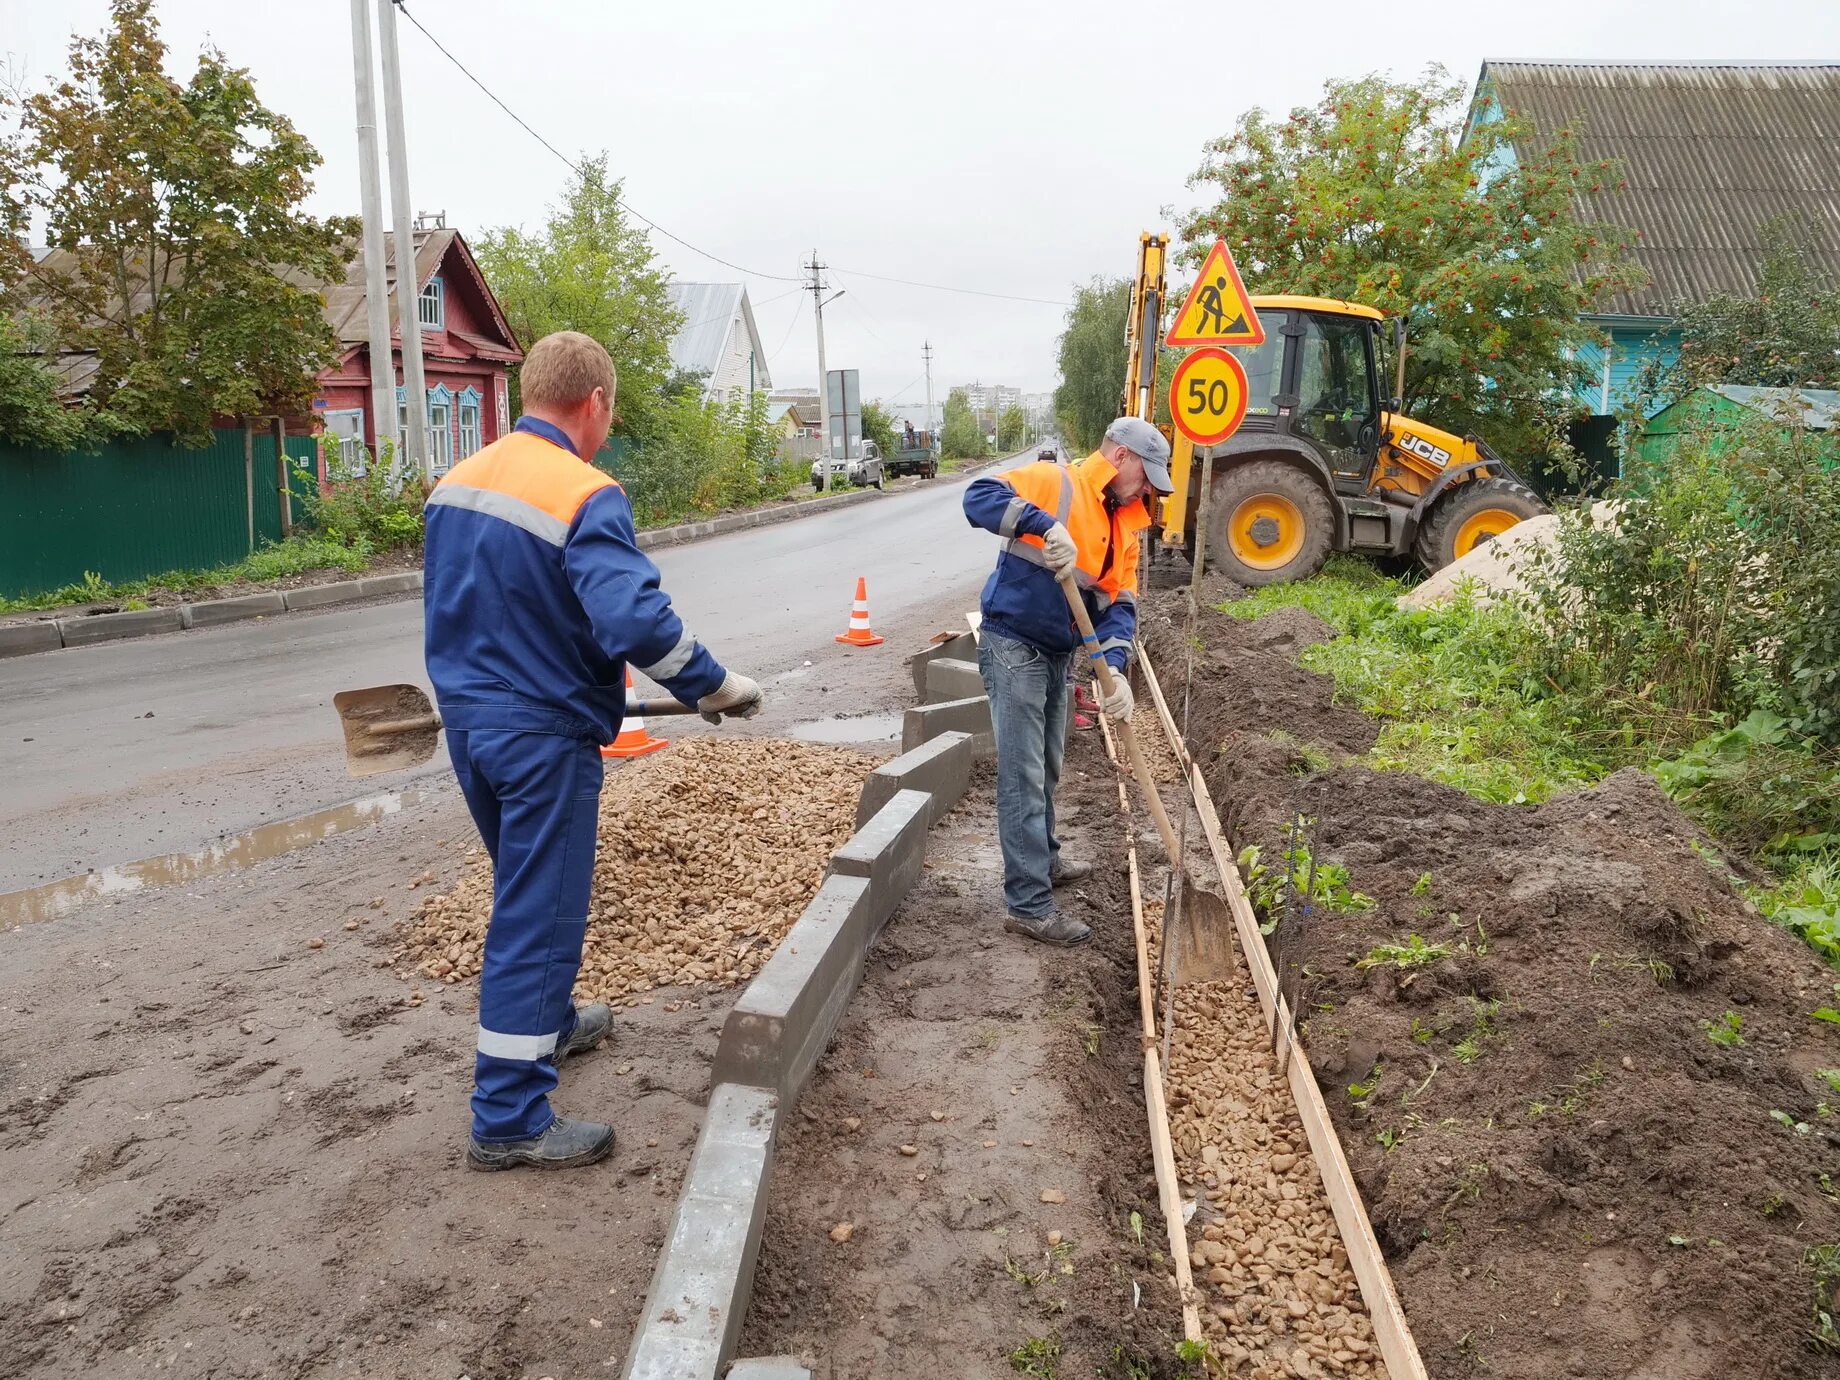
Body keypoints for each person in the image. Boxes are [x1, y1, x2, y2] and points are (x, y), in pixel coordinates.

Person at [423, 331, 763, 1171]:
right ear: (594, 403)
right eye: (610, 414)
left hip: (471, 728)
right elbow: (634, 620)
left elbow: (485, 607)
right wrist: (711, 684)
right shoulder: (586, 492)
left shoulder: (456, 482)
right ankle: (508, 1117)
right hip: (542, 735)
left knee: (522, 888)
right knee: (538, 917)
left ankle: (554, 1020)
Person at [961, 417, 1173, 946]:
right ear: (1120, 457)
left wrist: (1116, 671)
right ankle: (1028, 905)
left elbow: (1120, 604)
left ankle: (1045, 860)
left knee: (1049, 765)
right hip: (1013, 643)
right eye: (1145, 476)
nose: (1147, 488)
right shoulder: (1056, 482)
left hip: (1059, 653)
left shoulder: (1127, 524)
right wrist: (1040, 524)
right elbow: (977, 497)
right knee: (1023, 775)